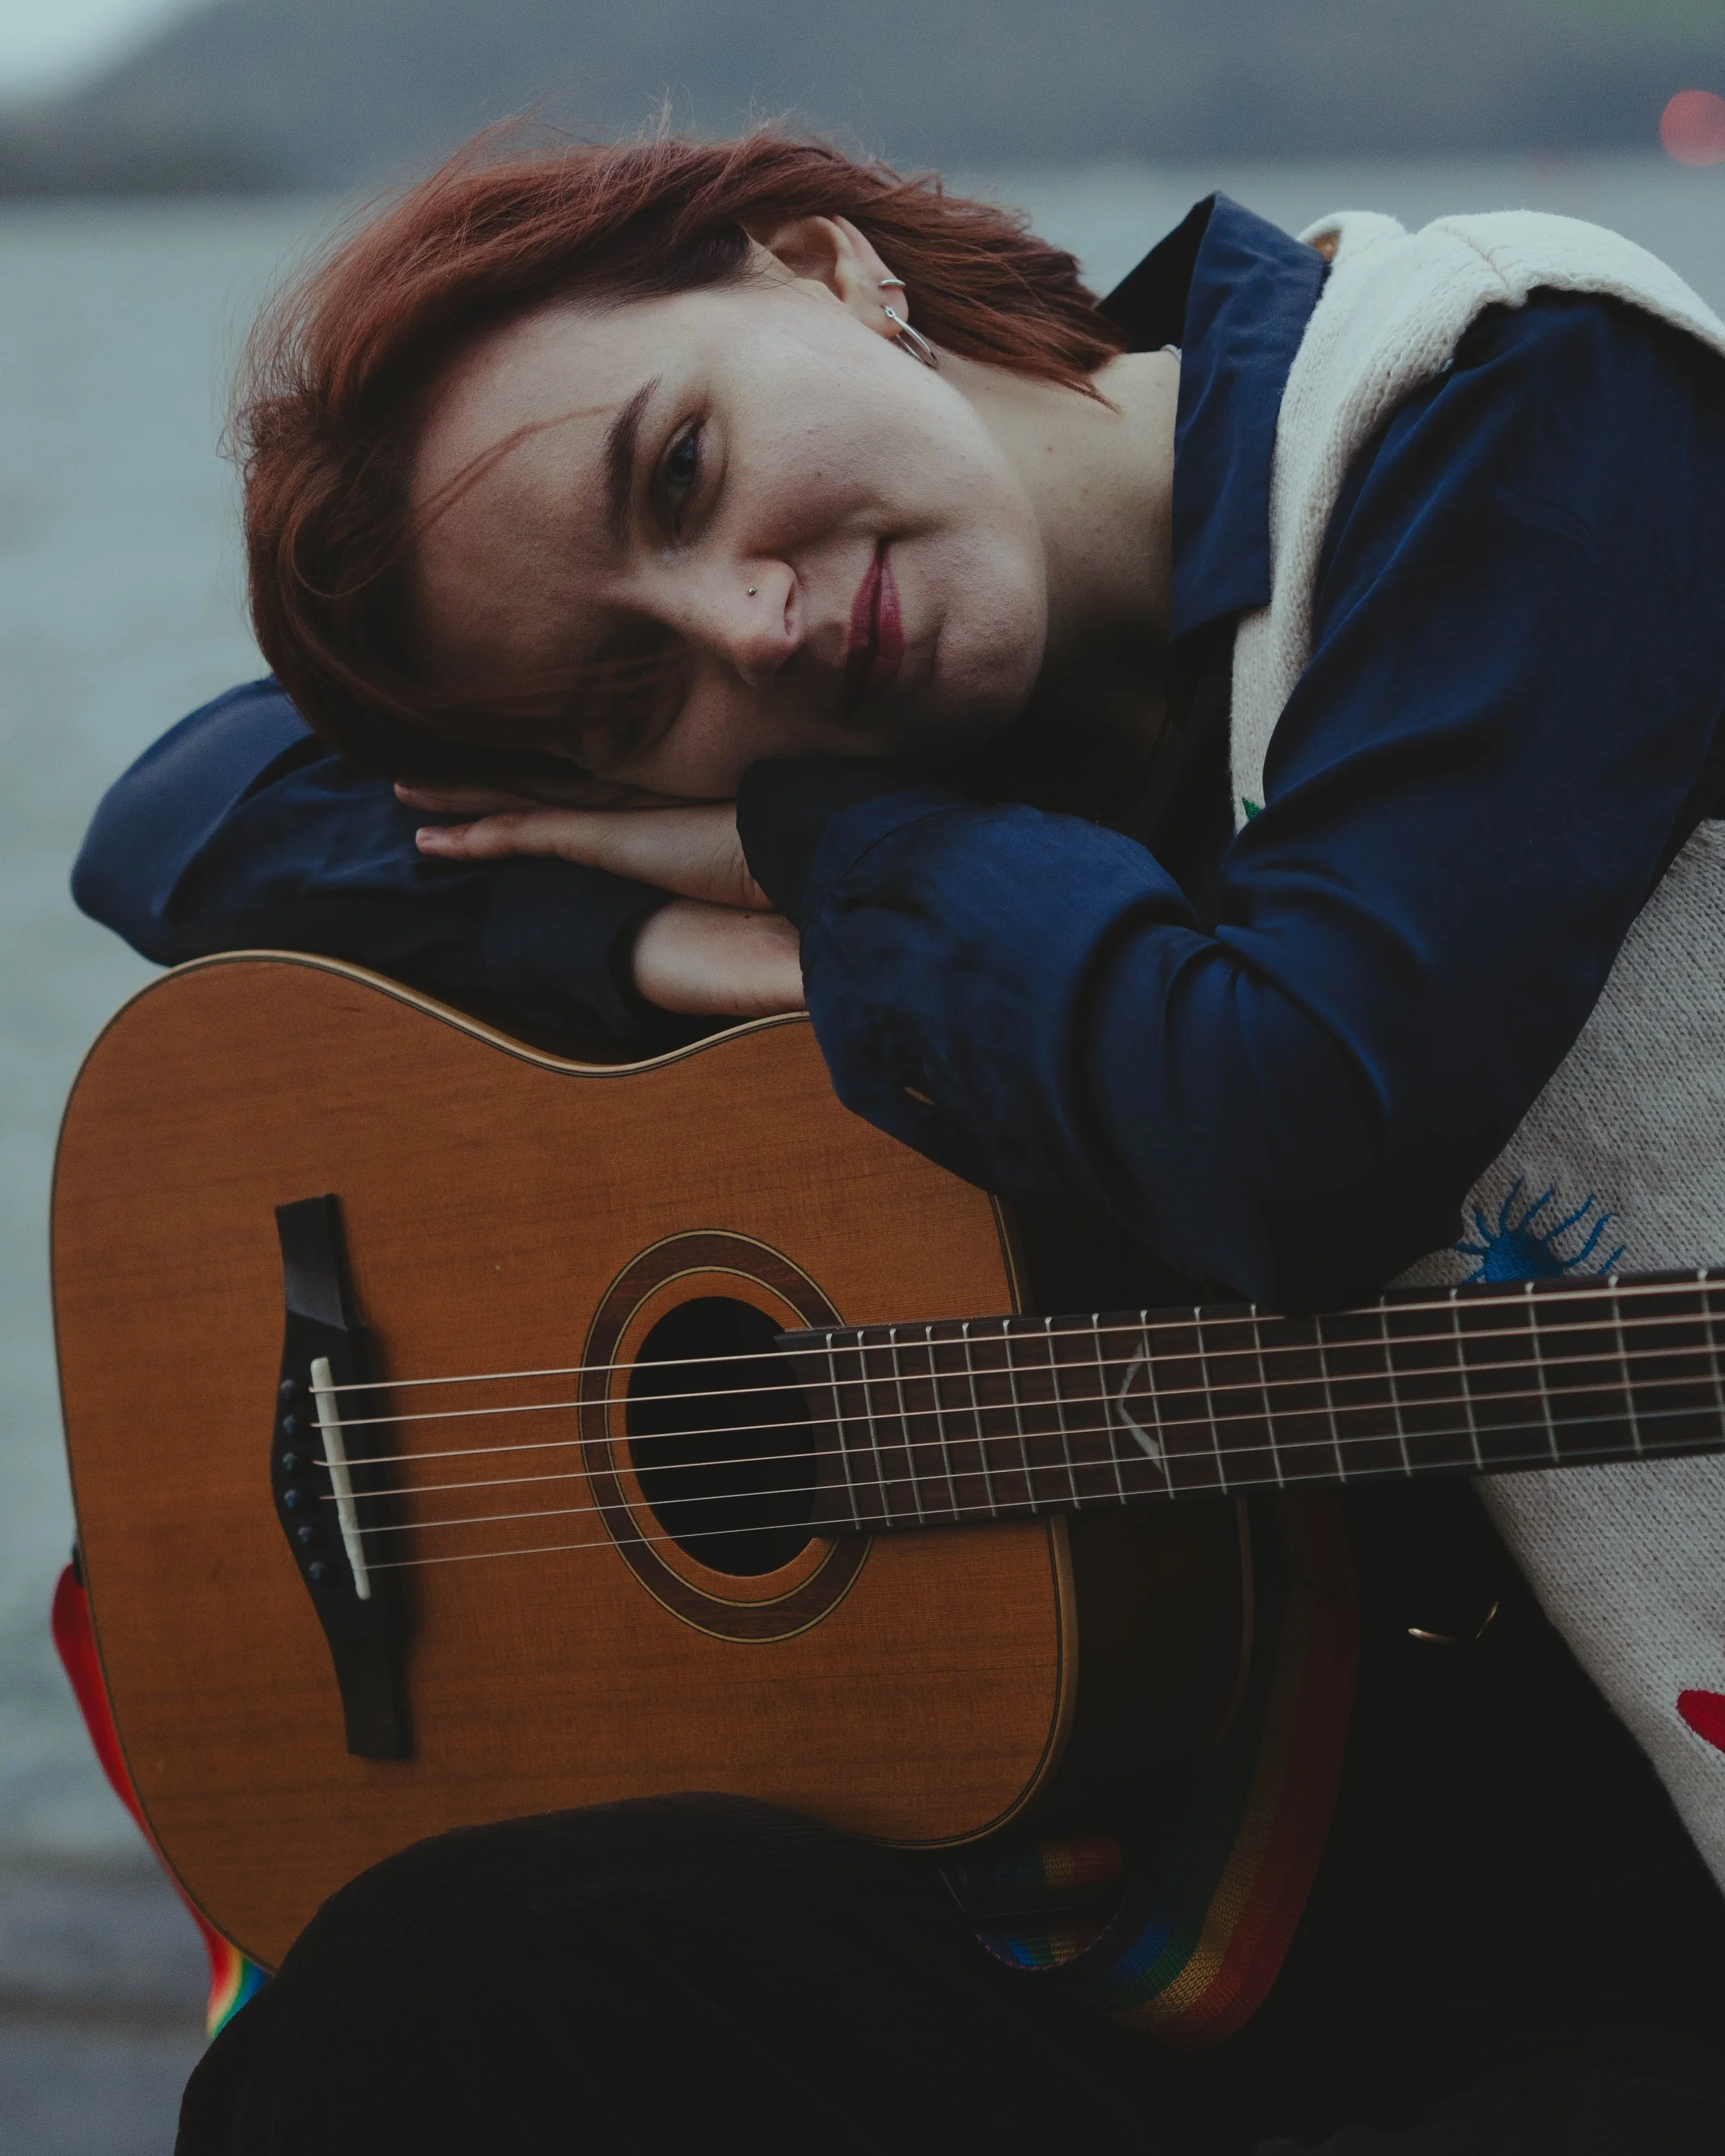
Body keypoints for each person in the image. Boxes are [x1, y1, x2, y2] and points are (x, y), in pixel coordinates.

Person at [75, 133, 1725, 2154]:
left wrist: (824, 851)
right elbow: (180, 819)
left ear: (825, 265)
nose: (748, 630)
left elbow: (1295, 1128)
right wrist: (642, 931)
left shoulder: (1504, 395)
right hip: (1271, 1906)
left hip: (1661, 1923)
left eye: (676, 471)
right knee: (431, 1995)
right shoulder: (909, 674)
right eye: (629, 691)